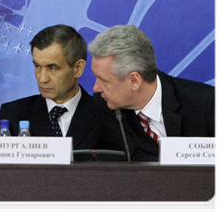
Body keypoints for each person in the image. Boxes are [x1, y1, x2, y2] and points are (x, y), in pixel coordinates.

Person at [89, 25, 219, 161]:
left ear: (134, 80)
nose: (96, 88)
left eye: (104, 80)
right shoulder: (104, 103)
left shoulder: (205, 104)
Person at [0, 24, 101, 150]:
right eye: (37, 66)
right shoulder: (13, 114)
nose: (42, 79)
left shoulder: (106, 116)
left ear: (78, 68)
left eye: (52, 68)